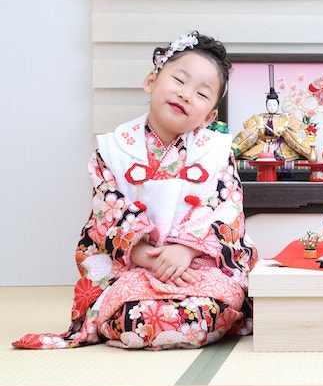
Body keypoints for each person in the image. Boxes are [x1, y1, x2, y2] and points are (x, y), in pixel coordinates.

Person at [13, 31, 259, 350]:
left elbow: (226, 208)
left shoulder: (217, 151)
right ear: (151, 81)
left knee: (203, 313)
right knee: (136, 317)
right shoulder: (113, 149)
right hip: (134, 264)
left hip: (197, 266)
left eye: (202, 94)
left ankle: (183, 321)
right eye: (180, 80)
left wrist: (186, 249)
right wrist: (142, 253)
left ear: (210, 116)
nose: (186, 95)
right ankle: (138, 320)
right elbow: (107, 208)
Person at [232, 67, 313, 162]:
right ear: (266, 105)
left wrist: (286, 132)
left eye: (274, 104)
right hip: (260, 147)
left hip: (281, 147)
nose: (271, 107)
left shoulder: (287, 118)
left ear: (278, 104)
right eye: (269, 104)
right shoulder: (258, 118)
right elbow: (248, 134)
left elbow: (294, 133)